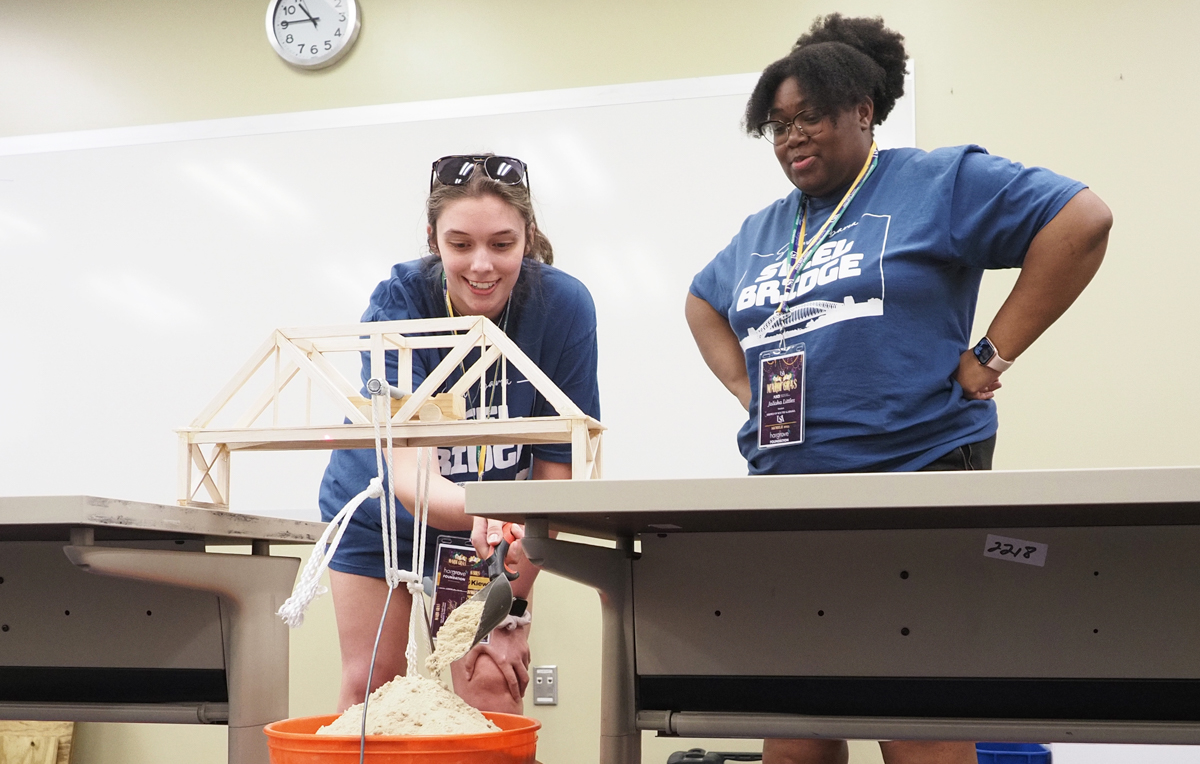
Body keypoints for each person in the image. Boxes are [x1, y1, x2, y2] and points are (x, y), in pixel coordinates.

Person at [685, 14, 1111, 764]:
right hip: (786, 499)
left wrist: (990, 353)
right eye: (778, 125)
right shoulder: (763, 230)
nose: (792, 137)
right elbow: (704, 302)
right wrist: (749, 392)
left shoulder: (936, 182)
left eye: (810, 115)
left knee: (911, 720)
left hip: (912, 479)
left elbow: (1081, 219)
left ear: (863, 109)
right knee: (794, 730)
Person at [318, 154, 600, 714]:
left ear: (529, 237)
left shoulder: (563, 306)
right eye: (460, 244)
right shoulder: (399, 303)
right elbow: (409, 479)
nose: (481, 266)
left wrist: (509, 605)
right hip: (386, 514)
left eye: (502, 244)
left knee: (491, 682)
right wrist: (488, 519)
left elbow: (553, 482)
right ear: (433, 240)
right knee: (371, 688)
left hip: (489, 526)